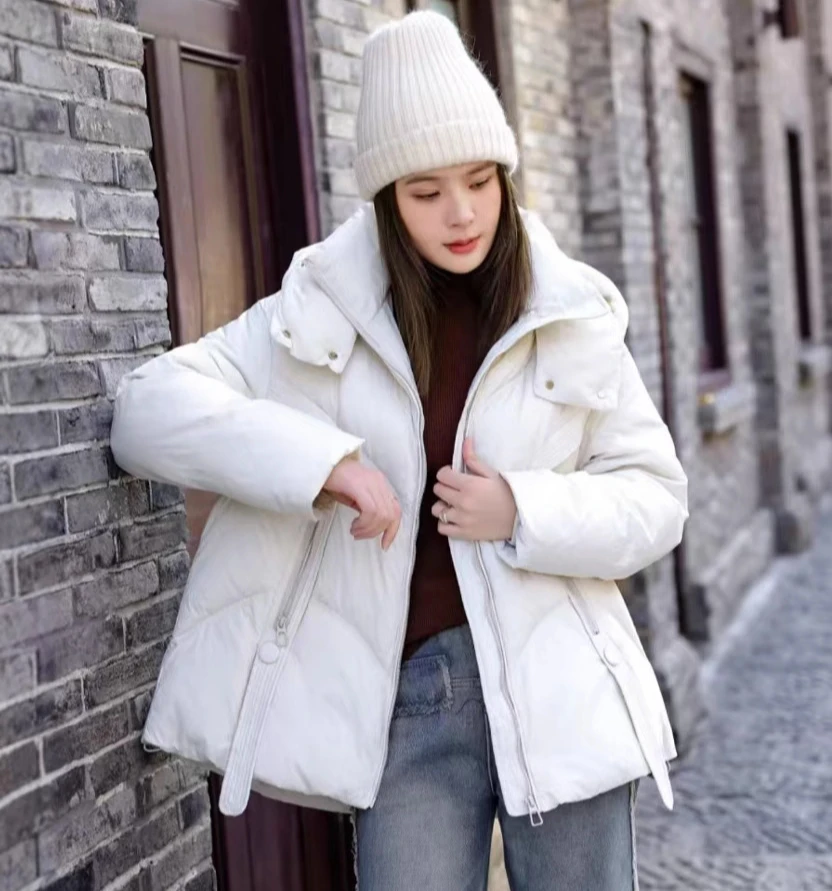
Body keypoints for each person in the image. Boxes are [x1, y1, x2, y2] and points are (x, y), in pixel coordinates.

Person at [110, 10, 687, 890]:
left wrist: (521, 509)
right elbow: (146, 411)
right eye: (425, 191)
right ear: (385, 197)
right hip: (413, 699)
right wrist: (324, 463)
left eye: (479, 181)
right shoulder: (317, 313)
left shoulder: (568, 311)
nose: (461, 213)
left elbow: (655, 497)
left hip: (563, 688)